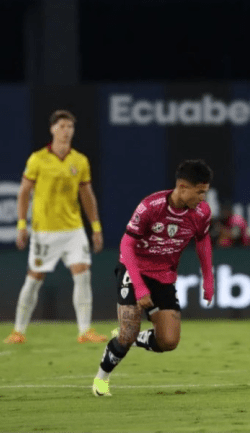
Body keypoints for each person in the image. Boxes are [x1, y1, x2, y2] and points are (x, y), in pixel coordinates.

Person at [92, 159, 214, 396]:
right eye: (199, 192)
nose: (203, 198)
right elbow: (126, 244)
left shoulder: (201, 213)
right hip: (135, 270)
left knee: (169, 341)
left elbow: (203, 241)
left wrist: (208, 280)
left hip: (164, 276)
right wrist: (139, 287)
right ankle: (101, 378)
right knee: (127, 332)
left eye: (205, 192)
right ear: (182, 187)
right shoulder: (151, 206)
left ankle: (134, 337)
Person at [5, 110, 107, 344]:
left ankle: (85, 331)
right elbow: (24, 193)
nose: (66, 131)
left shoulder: (79, 160)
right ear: (52, 129)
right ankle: (18, 331)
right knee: (34, 279)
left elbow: (87, 195)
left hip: (73, 230)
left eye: (70, 127)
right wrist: (21, 225)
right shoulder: (37, 159)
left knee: (83, 274)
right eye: (61, 126)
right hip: (44, 231)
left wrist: (96, 227)